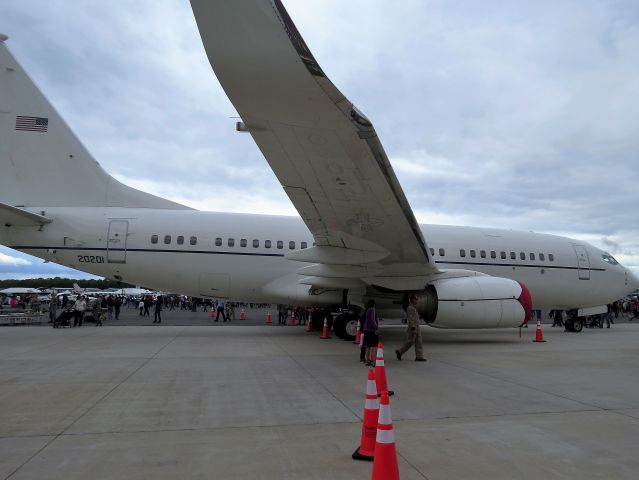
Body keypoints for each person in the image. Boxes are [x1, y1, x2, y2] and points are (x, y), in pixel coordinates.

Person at [395, 295, 426, 362]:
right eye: (416, 299)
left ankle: (419, 357)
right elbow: (410, 319)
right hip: (413, 327)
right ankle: (400, 352)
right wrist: (413, 327)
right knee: (410, 341)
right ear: (412, 300)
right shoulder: (409, 308)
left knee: (419, 341)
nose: (417, 300)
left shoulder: (414, 308)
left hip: (417, 327)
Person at [362, 299, 379, 366]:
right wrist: (376, 328)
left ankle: (368, 361)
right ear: (374, 304)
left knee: (367, 346)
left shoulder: (367, 310)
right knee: (374, 346)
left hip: (366, 330)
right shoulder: (372, 309)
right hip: (371, 331)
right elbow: (372, 320)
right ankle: (374, 362)